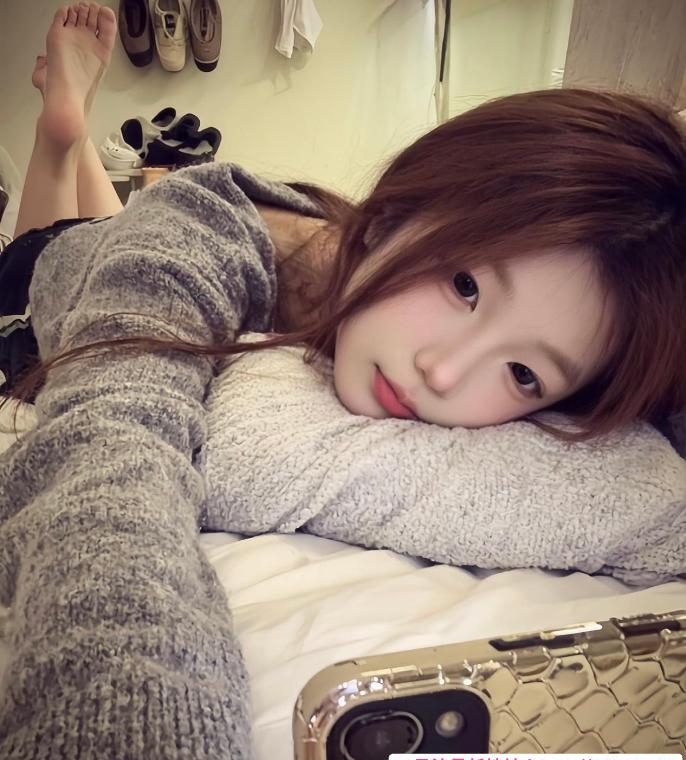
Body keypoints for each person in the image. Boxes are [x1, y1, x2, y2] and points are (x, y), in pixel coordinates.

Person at [0, 3, 683, 757]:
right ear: (398, 212)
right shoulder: (200, 231)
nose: (442, 371)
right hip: (44, 278)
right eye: (464, 285)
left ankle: (72, 133)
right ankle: (62, 131)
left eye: (523, 373)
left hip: (142, 246)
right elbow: (109, 449)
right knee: (71, 246)